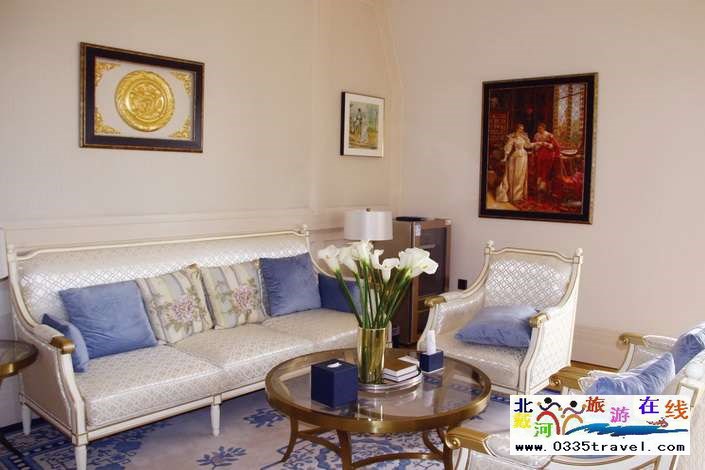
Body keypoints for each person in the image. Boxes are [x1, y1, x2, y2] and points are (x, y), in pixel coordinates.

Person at [496, 123, 535, 204]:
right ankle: (513, 196)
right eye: (520, 129)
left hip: (523, 157)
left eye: (522, 129)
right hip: (516, 157)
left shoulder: (524, 137)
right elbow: (508, 148)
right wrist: (505, 158)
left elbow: (528, 146)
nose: (521, 130)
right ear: (516, 129)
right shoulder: (512, 137)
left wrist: (537, 143)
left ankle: (519, 196)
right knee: (516, 176)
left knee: (521, 176)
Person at [533, 122, 561, 194]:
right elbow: (534, 146)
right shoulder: (536, 135)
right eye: (538, 129)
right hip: (539, 154)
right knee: (539, 168)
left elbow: (555, 145)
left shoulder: (549, 135)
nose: (539, 130)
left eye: (540, 128)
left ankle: (543, 185)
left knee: (546, 169)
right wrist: (538, 145)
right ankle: (540, 185)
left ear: (543, 128)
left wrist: (546, 144)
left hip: (548, 154)